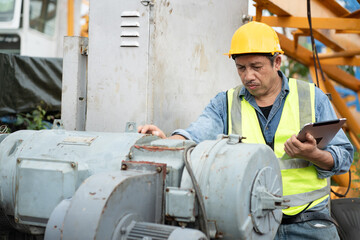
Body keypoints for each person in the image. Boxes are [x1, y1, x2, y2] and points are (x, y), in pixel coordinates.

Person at [138, 21, 353, 239]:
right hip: (250, 224)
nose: (248, 76)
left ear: (277, 62)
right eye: (241, 68)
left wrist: (315, 155)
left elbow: (344, 158)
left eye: (256, 67)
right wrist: (166, 143)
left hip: (308, 223)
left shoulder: (311, 98)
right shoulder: (225, 103)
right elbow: (194, 134)